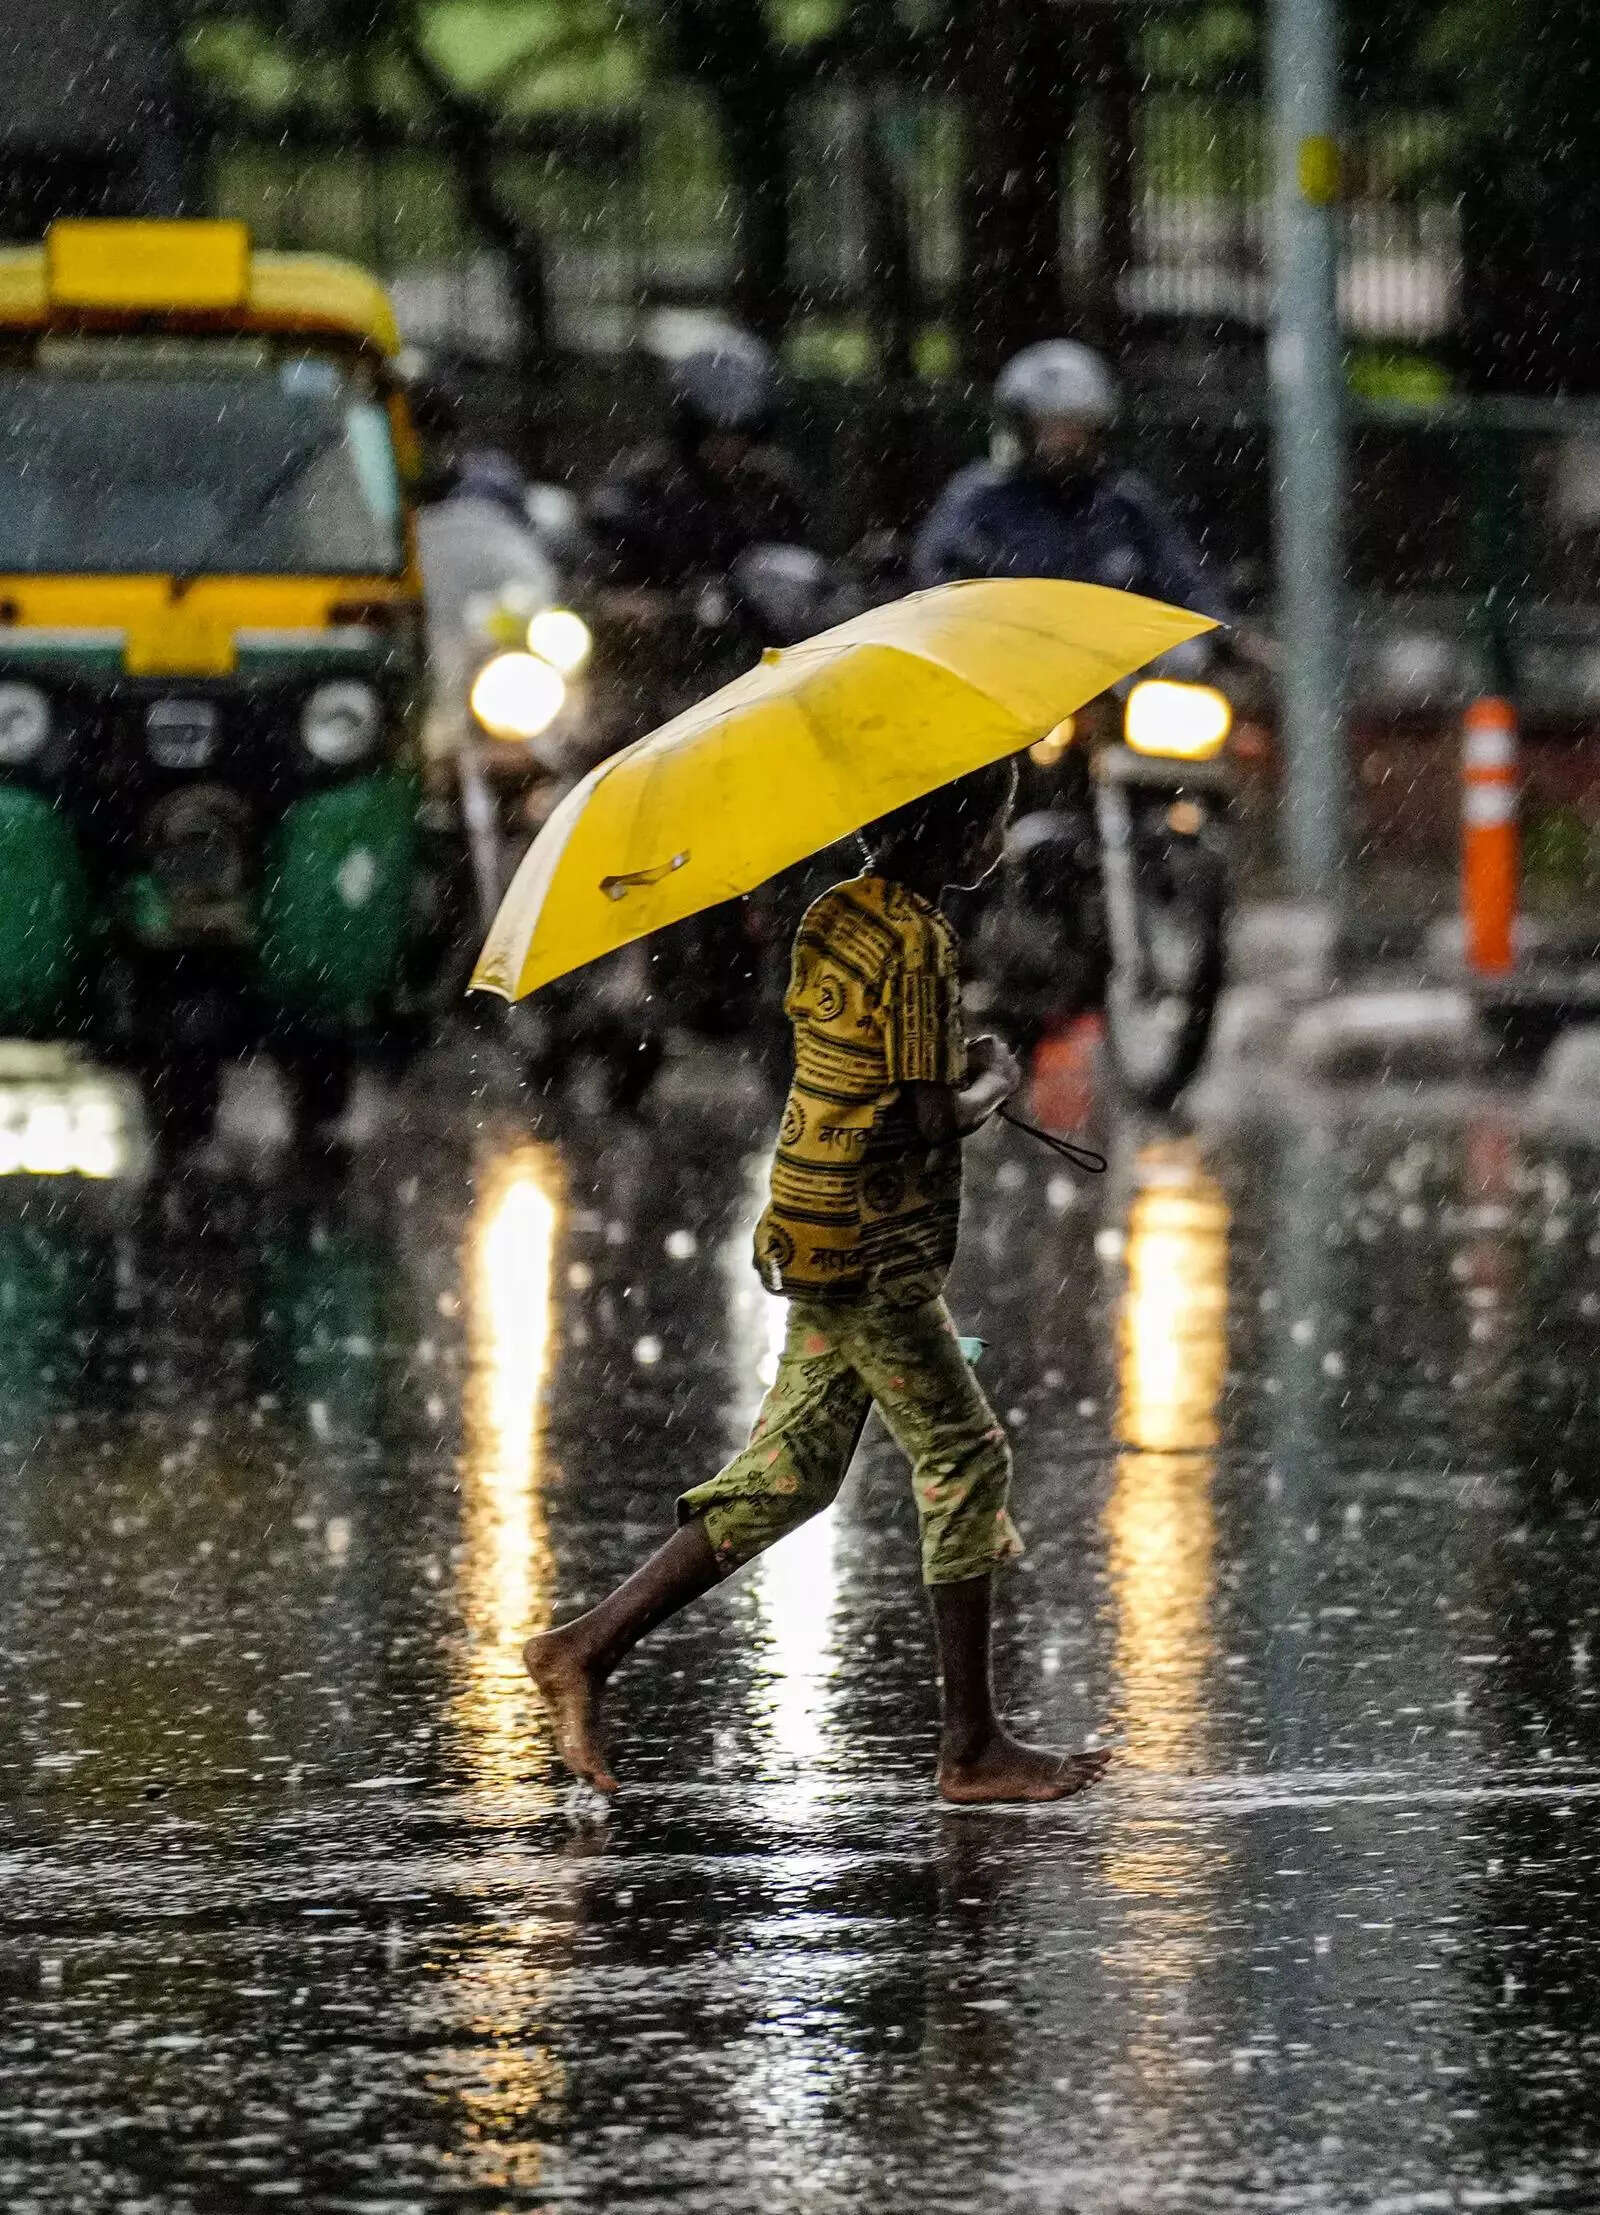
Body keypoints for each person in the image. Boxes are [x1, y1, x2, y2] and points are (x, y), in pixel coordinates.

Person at [524, 758, 1112, 1807]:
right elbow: (923, 1114)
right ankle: (970, 1747)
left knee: (791, 1472)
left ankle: (585, 1647)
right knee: (965, 1456)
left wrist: (949, 1068)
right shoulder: (921, 939)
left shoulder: (836, 914)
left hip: (814, 1218)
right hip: (873, 1240)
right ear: (959, 828)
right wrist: (992, 1077)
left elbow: (858, 1072)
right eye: (995, 814)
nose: (1000, 836)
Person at [912, 339, 1230, 619]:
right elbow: (936, 583)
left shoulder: (1125, 503)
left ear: (1096, 430)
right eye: (1047, 427)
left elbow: (1184, 579)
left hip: (1116, 671)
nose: (1061, 441)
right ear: (1021, 430)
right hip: (1006, 666)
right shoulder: (977, 499)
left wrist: (1223, 635)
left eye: (1072, 427)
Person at [584, 331, 812, 593]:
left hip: (757, 631)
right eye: (715, 435)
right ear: (690, 431)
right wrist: (630, 603)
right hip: (665, 628)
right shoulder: (642, 486)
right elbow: (598, 576)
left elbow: (800, 573)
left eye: (741, 435)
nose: (728, 448)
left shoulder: (773, 489)